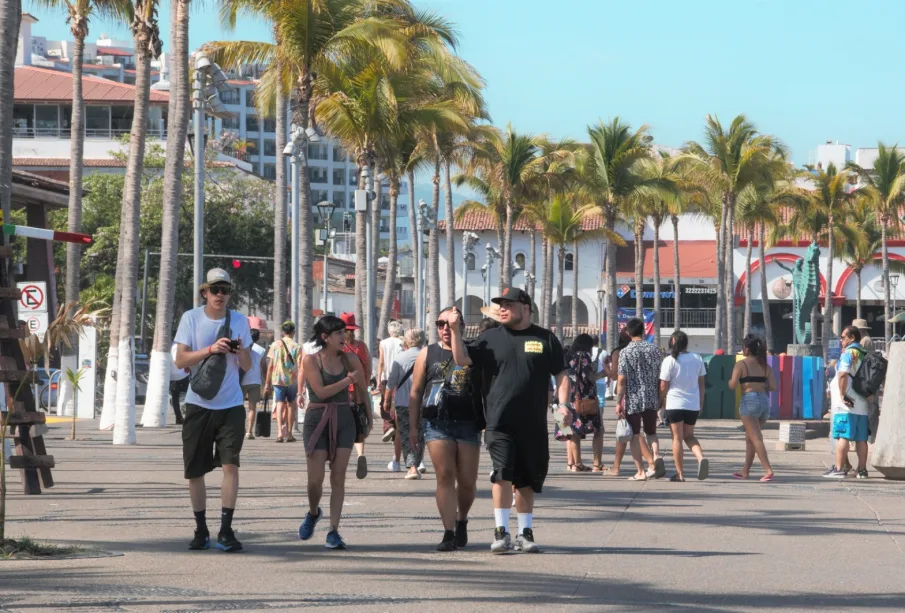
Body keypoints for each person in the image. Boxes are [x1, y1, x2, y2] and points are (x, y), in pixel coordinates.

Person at [449, 287, 569, 554]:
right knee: (502, 473)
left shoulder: (545, 339)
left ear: (525, 307)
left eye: (508, 304)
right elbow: (461, 358)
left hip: (533, 423)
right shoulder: (489, 338)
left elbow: (561, 374)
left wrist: (564, 404)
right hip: (499, 421)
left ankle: (525, 534)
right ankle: (500, 532)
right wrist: (456, 331)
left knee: (527, 479)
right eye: (500, 305)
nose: (502, 308)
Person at [174, 267, 252, 553]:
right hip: (199, 404)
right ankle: (201, 529)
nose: (220, 295)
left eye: (225, 290)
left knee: (231, 465)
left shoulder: (240, 321)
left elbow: (246, 366)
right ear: (204, 292)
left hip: (231, 405)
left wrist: (240, 350)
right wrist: (210, 349)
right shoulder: (191, 318)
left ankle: (226, 530)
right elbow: (180, 358)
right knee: (195, 470)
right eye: (215, 290)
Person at [408, 308, 483, 550]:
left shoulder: (473, 350)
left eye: (450, 323)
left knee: (468, 481)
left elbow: (472, 369)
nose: (444, 328)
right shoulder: (427, 353)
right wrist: (412, 427)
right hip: (437, 423)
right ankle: (448, 531)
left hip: (468, 423)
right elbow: (416, 391)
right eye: (440, 323)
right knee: (445, 475)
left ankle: (462, 520)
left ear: (461, 325)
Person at [298, 316, 371, 549]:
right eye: (339, 333)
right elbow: (320, 392)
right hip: (317, 419)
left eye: (344, 332)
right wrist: (347, 380)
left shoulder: (350, 358)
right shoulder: (310, 361)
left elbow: (362, 388)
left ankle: (333, 531)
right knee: (315, 480)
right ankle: (312, 512)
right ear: (325, 337)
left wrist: (368, 418)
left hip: (344, 419)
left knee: (338, 477)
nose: (344, 336)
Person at [614, 318, 666, 481]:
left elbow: (621, 380)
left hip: (633, 399)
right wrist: (660, 398)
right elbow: (661, 377)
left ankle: (641, 471)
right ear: (644, 331)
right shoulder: (656, 350)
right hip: (651, 397)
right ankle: (656, 456)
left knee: (635, 435)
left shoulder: (625, 352)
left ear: (628, 333)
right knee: (651, 432)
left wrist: (618, 401)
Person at [658, 331, 709, 482]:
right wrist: (700, 402)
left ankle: (680, 474)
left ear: (673, 341)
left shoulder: (669, 360)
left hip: (675, 403)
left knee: (677, 438)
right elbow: (701, 383)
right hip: (692, 404)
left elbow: (663, 385)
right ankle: (700, 458)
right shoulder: (697, 358)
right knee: (689, 436)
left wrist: (661, 402)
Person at [824, 326, 871, 479]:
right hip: (862, 402)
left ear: (851, 338)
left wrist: (843, 394)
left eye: (843, 337)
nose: (841, 340)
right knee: (861, 438)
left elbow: (843, 374)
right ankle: (862, 470)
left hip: (847, 402)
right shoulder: (865, 353)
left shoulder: (849, 353)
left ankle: (839, 469)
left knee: (843, 434)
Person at [729, 334, 776, 481]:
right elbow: (773, 387)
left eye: (743, 347)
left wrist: (732, 380)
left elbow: (732, 385)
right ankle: (745, 471)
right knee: (750, 438)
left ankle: (768, 470)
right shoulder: (765, 366)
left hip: (749, 400)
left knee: (756, 438)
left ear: (747, 349)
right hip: (763, 401)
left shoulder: (741, 364)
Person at [555, 334, 605, 472]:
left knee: (569, 432)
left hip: (563, 399)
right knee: (599, 430)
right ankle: (596, 464)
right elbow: (588, 377)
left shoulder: (567, 355)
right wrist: (604, 373)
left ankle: (572, 463)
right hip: (582, 399)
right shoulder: (583, 356)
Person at [386, 328, 426, 480]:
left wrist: (386, 401)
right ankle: (418, 462)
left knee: (405, 433)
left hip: (403, 402)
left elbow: (391, 383)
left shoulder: (400, 358)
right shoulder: (428, 356)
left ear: (408, 341)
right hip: (423, 401)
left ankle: (413, 467)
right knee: (420, 433)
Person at [339, 312, 372, 479]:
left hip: (342, 392)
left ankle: (341, 458)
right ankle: (360, 455)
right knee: (359, 424)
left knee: (342, 425)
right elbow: (368, 370)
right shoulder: (362, 347)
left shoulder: (338, 347)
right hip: (359, 392)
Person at [264, 321, 301, 443]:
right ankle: (289, 434)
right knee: (291, 405)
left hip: (277, 379)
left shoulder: (275, 345)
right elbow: (300, 366)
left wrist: (266, 383)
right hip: (292, 380)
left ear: (283, 332)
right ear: (293, 332)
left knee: (279, 404)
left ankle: (279, 432)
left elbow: (270, 365)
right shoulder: (297, 346)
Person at [602, 329, 632, 476]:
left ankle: (616, 466)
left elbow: (615, 376)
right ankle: (653, 459)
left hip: (626, 395)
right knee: (636, 431)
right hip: (642, 394)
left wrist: (605, 365)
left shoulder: (618, 352)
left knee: (624, 431)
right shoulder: (641, 349)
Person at [378, 321, 405, 468]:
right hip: (401, 377)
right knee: (398, 402)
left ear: (389, 331)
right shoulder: (402, 342)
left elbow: (381, 362)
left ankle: (389, 427)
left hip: (387, 377)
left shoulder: (384, 343)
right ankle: (395, 426)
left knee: (386, 403)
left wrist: (379, 377)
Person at [242, 327, 267, 440]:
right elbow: (263, 367)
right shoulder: (261, 350)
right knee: (252, 408)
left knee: (238, 406)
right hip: (255, 381)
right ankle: (249, 432)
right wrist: (266, 381)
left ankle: (240, 428)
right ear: (258, 338)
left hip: (241, 380)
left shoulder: (242, 347)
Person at [169, 342, 190, 425]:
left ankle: (180, 417)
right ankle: (179, 417)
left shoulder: (181, 346)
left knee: (177, 398)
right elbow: (176, 361)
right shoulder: (176, 347)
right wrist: (186, 365)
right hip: (178, 375)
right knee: (176, 398)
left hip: (182, 375)